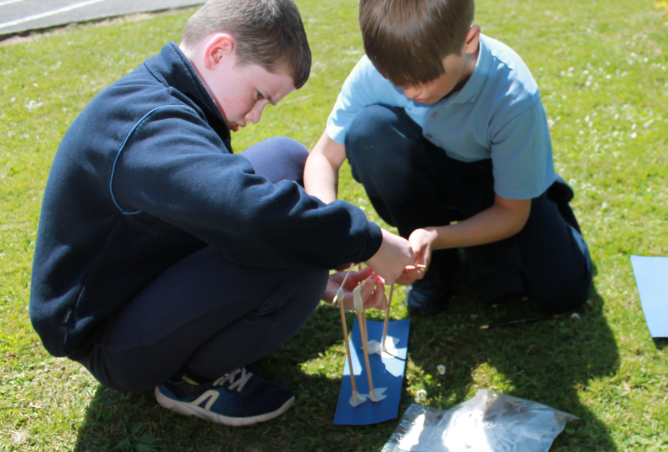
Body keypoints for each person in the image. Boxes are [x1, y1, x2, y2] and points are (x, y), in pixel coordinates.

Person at [28, 0, 414, 427]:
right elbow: (248, 213)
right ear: (218, 52)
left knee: (286, 157)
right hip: (105, 332)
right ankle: (189, 380)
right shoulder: (148, 128)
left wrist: (327, 275)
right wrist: (369, 241)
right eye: (258, 96)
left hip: (142, 269)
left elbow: (215, 208)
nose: (254, 116)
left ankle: (244, 304)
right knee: (294, 264)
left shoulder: (170, 94)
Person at [304, 0, 592, 316]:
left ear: (469, 42)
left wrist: (437, 236)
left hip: (496, 188)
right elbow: (323, 158)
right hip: (429, 175)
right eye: (397, 81)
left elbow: (511, 212)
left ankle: (548, 206)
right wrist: (342, 232)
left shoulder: (513, 93)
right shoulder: (374, 71)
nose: (412, 92)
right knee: (370, 130)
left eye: (425, 78)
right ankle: (436, 267)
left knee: (563, 292)